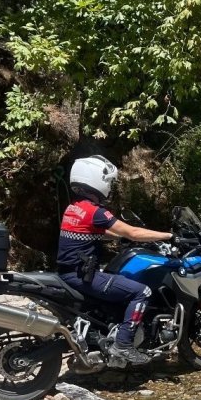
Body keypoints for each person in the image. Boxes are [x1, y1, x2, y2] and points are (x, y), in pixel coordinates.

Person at [56, 155, 173, 364]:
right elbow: (134, 232)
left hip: (68, 272)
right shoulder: (95, 212)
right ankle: (123, 345)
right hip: (81, 275)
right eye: (108, 182)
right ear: (96, 180)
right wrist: (168, 235)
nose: (109, 187)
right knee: (142, 291)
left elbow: (92, 232)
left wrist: (119, 237)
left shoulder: (73, 208)